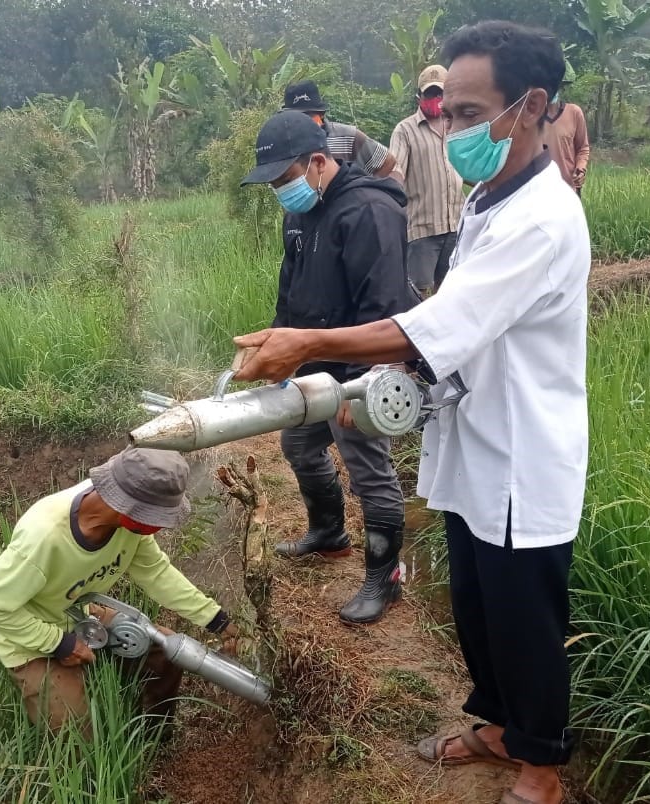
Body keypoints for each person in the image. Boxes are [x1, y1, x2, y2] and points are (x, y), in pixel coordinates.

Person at [232, 21, 588, 804]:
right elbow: (448, 334)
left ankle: (541, 771)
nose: (448, 129)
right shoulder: (490, 199)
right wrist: (387, 391)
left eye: (466, 114)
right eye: (445, 113)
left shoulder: (541, 219)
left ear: (529, 107)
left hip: (524, 460)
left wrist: (306, 344)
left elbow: (430, 328)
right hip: (475, 445)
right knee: (478, 608)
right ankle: (495, 724)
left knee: (526, 624)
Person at [239, 109, 416, 625]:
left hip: (359, 364)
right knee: (297, 444)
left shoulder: (368, 211)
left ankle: (384, 578)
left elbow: (385, 309)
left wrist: (359, 389)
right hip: (313, 364)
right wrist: (275, 346)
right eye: (272, 184)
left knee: (368, 469)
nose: (279, 191)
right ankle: (328, 531)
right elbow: (290, 289)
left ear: (318, 161)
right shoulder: (299, 211)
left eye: (284, 178)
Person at [0, 446, 239, 732]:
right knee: (74, 731)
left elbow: (157, 573)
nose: (160, 527)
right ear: (127, 507)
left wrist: (216, 620)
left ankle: (152, 736)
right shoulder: (45, 537)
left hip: (79, 612)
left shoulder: (127, 525)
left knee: (165, 652)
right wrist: (59, 643)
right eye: (156, 518)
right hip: (29, 633)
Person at [389, 64, 466, 297]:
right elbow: (395, 173)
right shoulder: (405, 130)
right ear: (419, 96)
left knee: (452, 293)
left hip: (456, 226)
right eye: (430, 93)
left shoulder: (459, 126)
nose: (436, 99)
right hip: (423, 229)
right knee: (418, 295)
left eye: (441, 93)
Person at [282, 80, 397, 178]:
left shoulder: (348, 136)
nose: (302, 122)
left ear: (321, 114)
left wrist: (367, 193)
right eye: (296, 117)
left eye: (308, 116)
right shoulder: (286, 145)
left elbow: (387, 161)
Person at [543, 64, 590, 195]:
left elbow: (583, 148)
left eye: (555, 85)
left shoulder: (574, 113)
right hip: (540, 192)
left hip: (568, 189)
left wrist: (580, 169)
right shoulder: (533, 118)